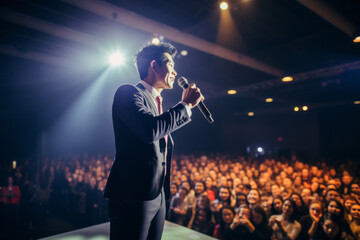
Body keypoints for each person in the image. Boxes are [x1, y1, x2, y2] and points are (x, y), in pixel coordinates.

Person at [104, 42, 204, 240]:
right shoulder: (128, 92)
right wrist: (185, 105)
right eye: (171, 65)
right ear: (154, 66)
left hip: (158, 194)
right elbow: (149, 130)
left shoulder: (157, 104)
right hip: (133, 195)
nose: (175, 72)